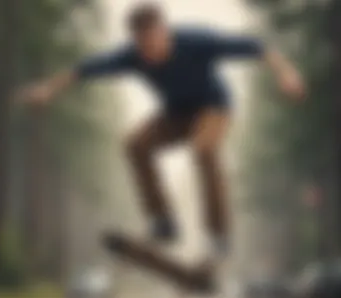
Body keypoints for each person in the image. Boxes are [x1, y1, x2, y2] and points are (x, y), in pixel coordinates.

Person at [17, 3, 306, 257]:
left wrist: (287, 73)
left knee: (204, 150)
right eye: (145, 49)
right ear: (136, 42)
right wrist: (47, 89)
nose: (152, 54)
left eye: (156, 45)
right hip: (175, 114)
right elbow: (83, 70)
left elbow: (257, 48)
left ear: (165, 31)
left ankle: (218, 234)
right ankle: (163, 222)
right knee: (134, 145)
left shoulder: (195, 41)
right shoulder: (131, 56)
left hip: (214, 108)